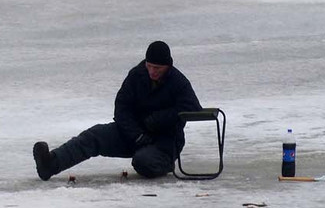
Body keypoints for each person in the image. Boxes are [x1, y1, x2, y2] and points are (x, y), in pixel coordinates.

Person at [34, 41, 202, 180]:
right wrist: (137, 134)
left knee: (143, 162)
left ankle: (163, 163)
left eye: (157, 68)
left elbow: (193, 108)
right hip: (133, 135)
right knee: (93, 136)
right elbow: (121, 108)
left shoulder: (178, 81)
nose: (152, 72)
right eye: (149, 66)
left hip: (164, 142)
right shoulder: (137, 75)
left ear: (167, 66)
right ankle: (50, 164)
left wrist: (159, 119)